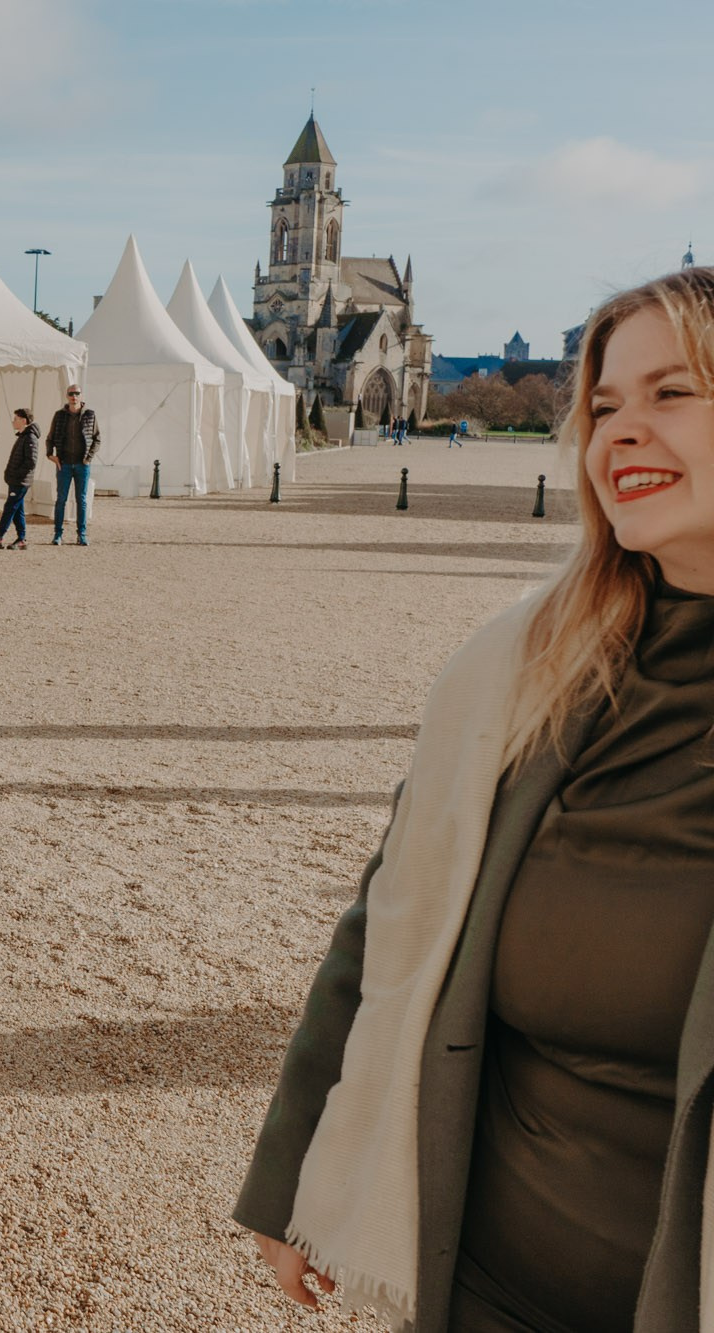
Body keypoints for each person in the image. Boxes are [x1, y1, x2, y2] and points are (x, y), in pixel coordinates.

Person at [238, 267, 714, 1332]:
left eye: (671, 393)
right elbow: (388, 918)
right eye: (602, 405)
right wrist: (295, 1167)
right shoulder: (526, 667)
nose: (620, 432)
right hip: (485, 1284)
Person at [47, 383, 100, 545]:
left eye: (77, 393)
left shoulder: (90, 415)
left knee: (81, 500)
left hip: (82, 465)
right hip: (63, 464)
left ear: (81, 396)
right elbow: (50, 438)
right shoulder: (59, 415)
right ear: (67, 396)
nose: (74, 396)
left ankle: (81, 534)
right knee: (61, 500)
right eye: (71, 394)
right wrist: (51, 455)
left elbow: (97, 439)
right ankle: (58, 534)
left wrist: (88, 458)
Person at [0, 407, 40, 549]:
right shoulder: (23, 436)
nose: (13, 421)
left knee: (9, 508)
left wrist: (16, 474)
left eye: (16, 419)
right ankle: (21, 539)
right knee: (18, 510)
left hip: (20, 481)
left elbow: (31, 462)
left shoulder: (30, 438)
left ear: (24, 421)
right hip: (16, 480)